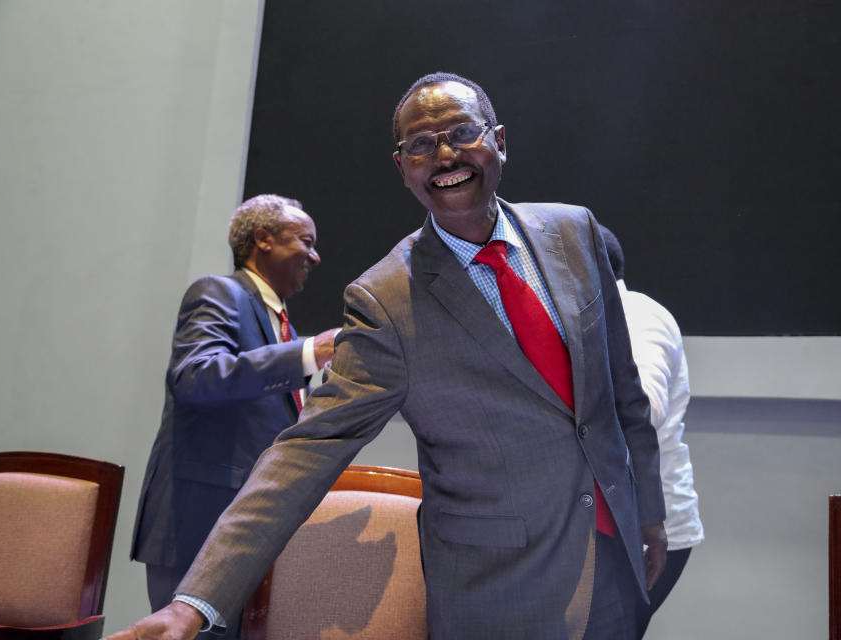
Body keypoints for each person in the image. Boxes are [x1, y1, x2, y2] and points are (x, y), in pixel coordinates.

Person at [110, 72, 667, 640]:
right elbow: (305, 452)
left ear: (499, 140)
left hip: (616, 560)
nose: (445, 155)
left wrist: (649, 509)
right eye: (422, 145)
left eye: (462, 133)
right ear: (403, 167)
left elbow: (621, 390)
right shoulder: (385, 299)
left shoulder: (575, 232)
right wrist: (192, 604)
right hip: (500, 591)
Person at [129, 194, 339, 637]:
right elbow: (195, 377)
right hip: (197, 524)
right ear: (263, 239)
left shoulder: (278, 323)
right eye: (306, 241)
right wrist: (309, 351)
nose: (316, 256)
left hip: (243, 531)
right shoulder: (219, 292)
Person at [599, 225, 704, 636]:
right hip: (609, 523)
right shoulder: (593, 319)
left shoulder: (638, 317)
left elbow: (643, 409)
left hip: (646, 528)